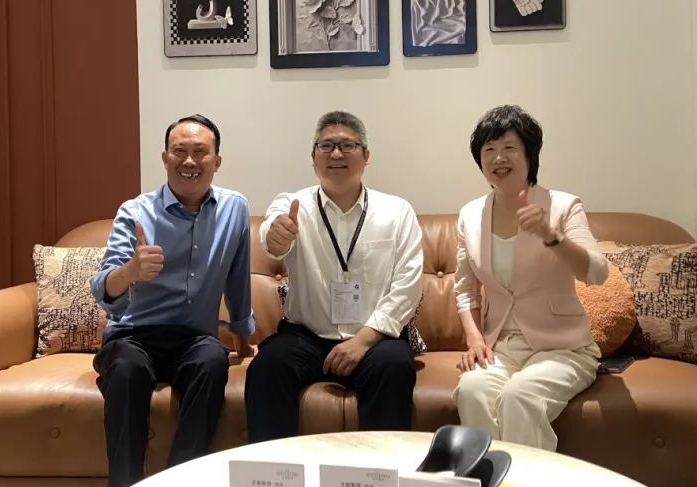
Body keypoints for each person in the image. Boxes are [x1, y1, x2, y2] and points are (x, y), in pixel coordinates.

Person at [89, 114, 254, 486]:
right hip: (134, 337)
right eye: (180, 151)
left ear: (217, 161)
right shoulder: (135, 212)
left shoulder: (234, 208)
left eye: (200, 152)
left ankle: (181, 479)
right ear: (165, 158)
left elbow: (237, 278)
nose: (189, 161)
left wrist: (243, 339)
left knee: (212, 360)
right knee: (127, 370)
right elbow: (103, 287)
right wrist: (131, 271)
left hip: (194, 339)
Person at [244, 110, 424, 442]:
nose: (336, 154)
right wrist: (277, 236)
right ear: (313, 156)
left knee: (394, 366)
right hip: (307, 336)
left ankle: (382, 468)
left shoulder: (397, 212)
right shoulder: (291, 205)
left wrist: (363, 340)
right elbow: (272, 238)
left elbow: (408, 287)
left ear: (366, 155)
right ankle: (275, 469)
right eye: (326, 146)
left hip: (375, 339)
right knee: (268, 366)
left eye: (347, 145)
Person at [452, 104, 608, 451]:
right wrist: (475, 340)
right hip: (501, 347)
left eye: (509, 147)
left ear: (529, 154)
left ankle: (527, 476)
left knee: (519, 396)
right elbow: (464, 289)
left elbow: (596, 273)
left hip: (563, 347)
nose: (498, 157)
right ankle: (487, 474)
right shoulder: (470, 215)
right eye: (489, 149)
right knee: (472, 389)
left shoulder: (563, 206)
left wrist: (552, 236)